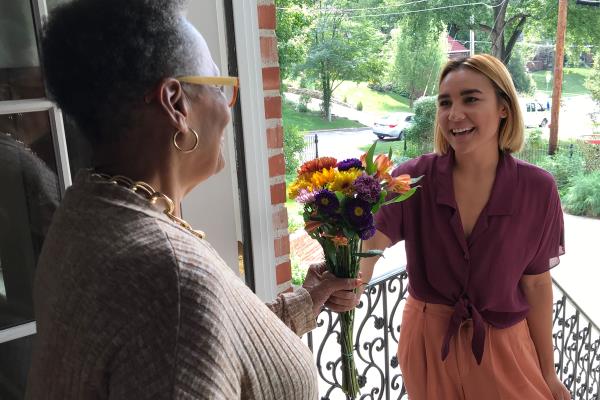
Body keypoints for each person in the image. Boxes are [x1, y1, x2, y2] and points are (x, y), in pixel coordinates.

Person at [26, 0, 361, 398]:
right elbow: (179, 321)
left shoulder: (89, 213)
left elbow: (209, 346)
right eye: (220, 88)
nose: (226, 110)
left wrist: (308, 300)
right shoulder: (166, 276)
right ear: (176, 103)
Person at [357, 55, 571, 400]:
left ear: (503, 108)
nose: (454, 114)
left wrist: (548, 371)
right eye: (445, 102)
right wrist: (353, 281)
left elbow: (536, 284)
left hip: (504, 342)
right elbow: (370, 244)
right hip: (429, 342)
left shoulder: (537, 189)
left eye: (470, 99)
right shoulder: (412, 180)